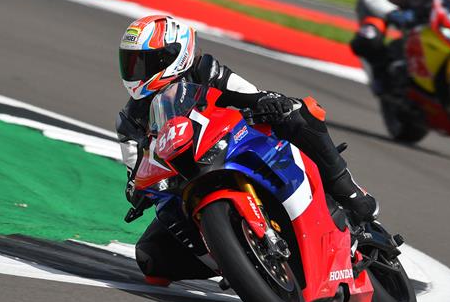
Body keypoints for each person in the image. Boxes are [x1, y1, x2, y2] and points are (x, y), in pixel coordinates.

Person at [115, 14, 379, 285]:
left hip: (229, 147)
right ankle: (236, 261)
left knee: (298, 113)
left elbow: (248, 94)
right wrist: (139, 191)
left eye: (144, 62)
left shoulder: (205, 70)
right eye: (131, 63)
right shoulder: (129, 121)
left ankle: (350, 192)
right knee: (151, 257)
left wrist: (267, 101)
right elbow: (134, 174)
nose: (136, 71)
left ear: (175, 55)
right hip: (182, 182)